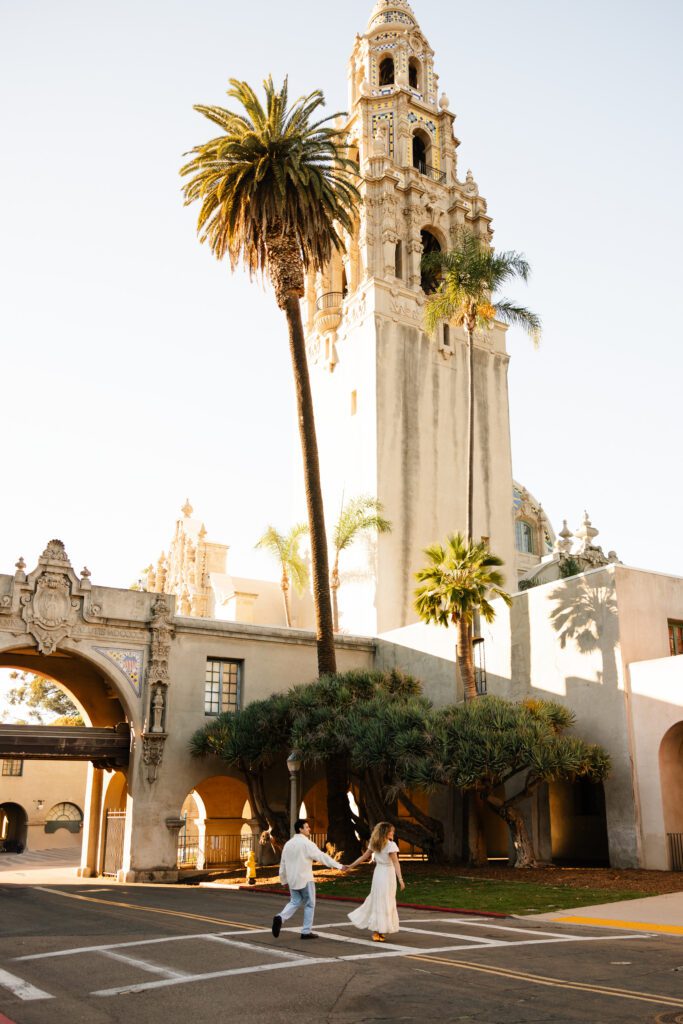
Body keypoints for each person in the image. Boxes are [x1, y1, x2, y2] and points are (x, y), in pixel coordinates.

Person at [272, 819, 346, 940]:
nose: (309, 829)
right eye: (307, 827)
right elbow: (321, 856)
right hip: (306, 879)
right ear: (300, 829)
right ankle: (306, 931)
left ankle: (280, 917)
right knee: (310, 904)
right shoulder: (307, 844)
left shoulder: (288, 844)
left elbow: (283, 863)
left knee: (295, 901)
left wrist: (284, 880)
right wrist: (339, 866)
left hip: (292, 879)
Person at [346, 821, 405, 942]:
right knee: (382, 900)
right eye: (391, 831)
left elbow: (363, 857)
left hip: (382, 874)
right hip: (385, 874)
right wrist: (400, 879)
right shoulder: (385, 845)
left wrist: (351, 866)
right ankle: (378, 930)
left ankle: (380, 929)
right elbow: (395, 863)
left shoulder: (385, 845)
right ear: (386, 832)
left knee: (383, 900)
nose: (393, 833)